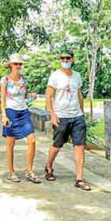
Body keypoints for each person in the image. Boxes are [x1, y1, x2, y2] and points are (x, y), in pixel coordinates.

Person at [44, 50, 92, 192]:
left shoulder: (77, 76)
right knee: (57, 145)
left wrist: (82, 113)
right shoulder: (55, 76)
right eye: (62, 58)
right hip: (62, 116)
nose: (65, 60)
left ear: (73, 59)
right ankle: (49, 165)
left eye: (68, 58)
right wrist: (52, 115)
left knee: (80, 146)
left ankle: (79, 178)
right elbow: (48, 97)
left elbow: (79, 95)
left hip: (77, 116)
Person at [0, 53, 41, 184]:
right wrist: (4, 115)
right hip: (11, 112)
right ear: (10, 65)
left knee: (32, 140)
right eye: (16, 64)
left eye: (20, 64)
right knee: (10, 143)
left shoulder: (24, 79)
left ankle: (29, 170)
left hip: (23, 111)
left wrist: (31, 95)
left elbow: (23, 95)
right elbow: (3, 99)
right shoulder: (5, 80)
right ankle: (11, 172)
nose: (18, 66)